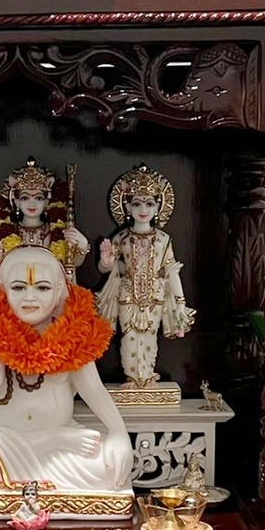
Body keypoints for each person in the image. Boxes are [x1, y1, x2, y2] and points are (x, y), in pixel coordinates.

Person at [0, 246, 132, 491]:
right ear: (2, 290)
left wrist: (118, 433)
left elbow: (94, 391)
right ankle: (46, 444)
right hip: (0, 442)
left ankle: (40, 453)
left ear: (59, 291)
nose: (30, 297)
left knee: (106, 469)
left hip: (58, 449)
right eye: (18, 287)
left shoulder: (73, 336)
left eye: (42, 287)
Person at [97, 164, 195, 387]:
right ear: (128, 207)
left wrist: (180, 303)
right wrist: (106, 262)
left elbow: (171, 272)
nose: (143, 209)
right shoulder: (120, 238)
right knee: (129, 339)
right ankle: (132, 379)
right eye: (137, 203)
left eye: (149, 203)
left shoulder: (163, 240)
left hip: (155, 297)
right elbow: (107, 269)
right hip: (128, 295)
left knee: (150, 339)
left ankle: (148, 377)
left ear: (157, 207)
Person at [0, 157, 89, 270]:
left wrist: (82, 246)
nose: (32, 203)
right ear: (16, 202)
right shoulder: (6, 231)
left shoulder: (57, 231)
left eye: (38, 198)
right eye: (25, 198)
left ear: (47, 202)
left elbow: (72, 263)